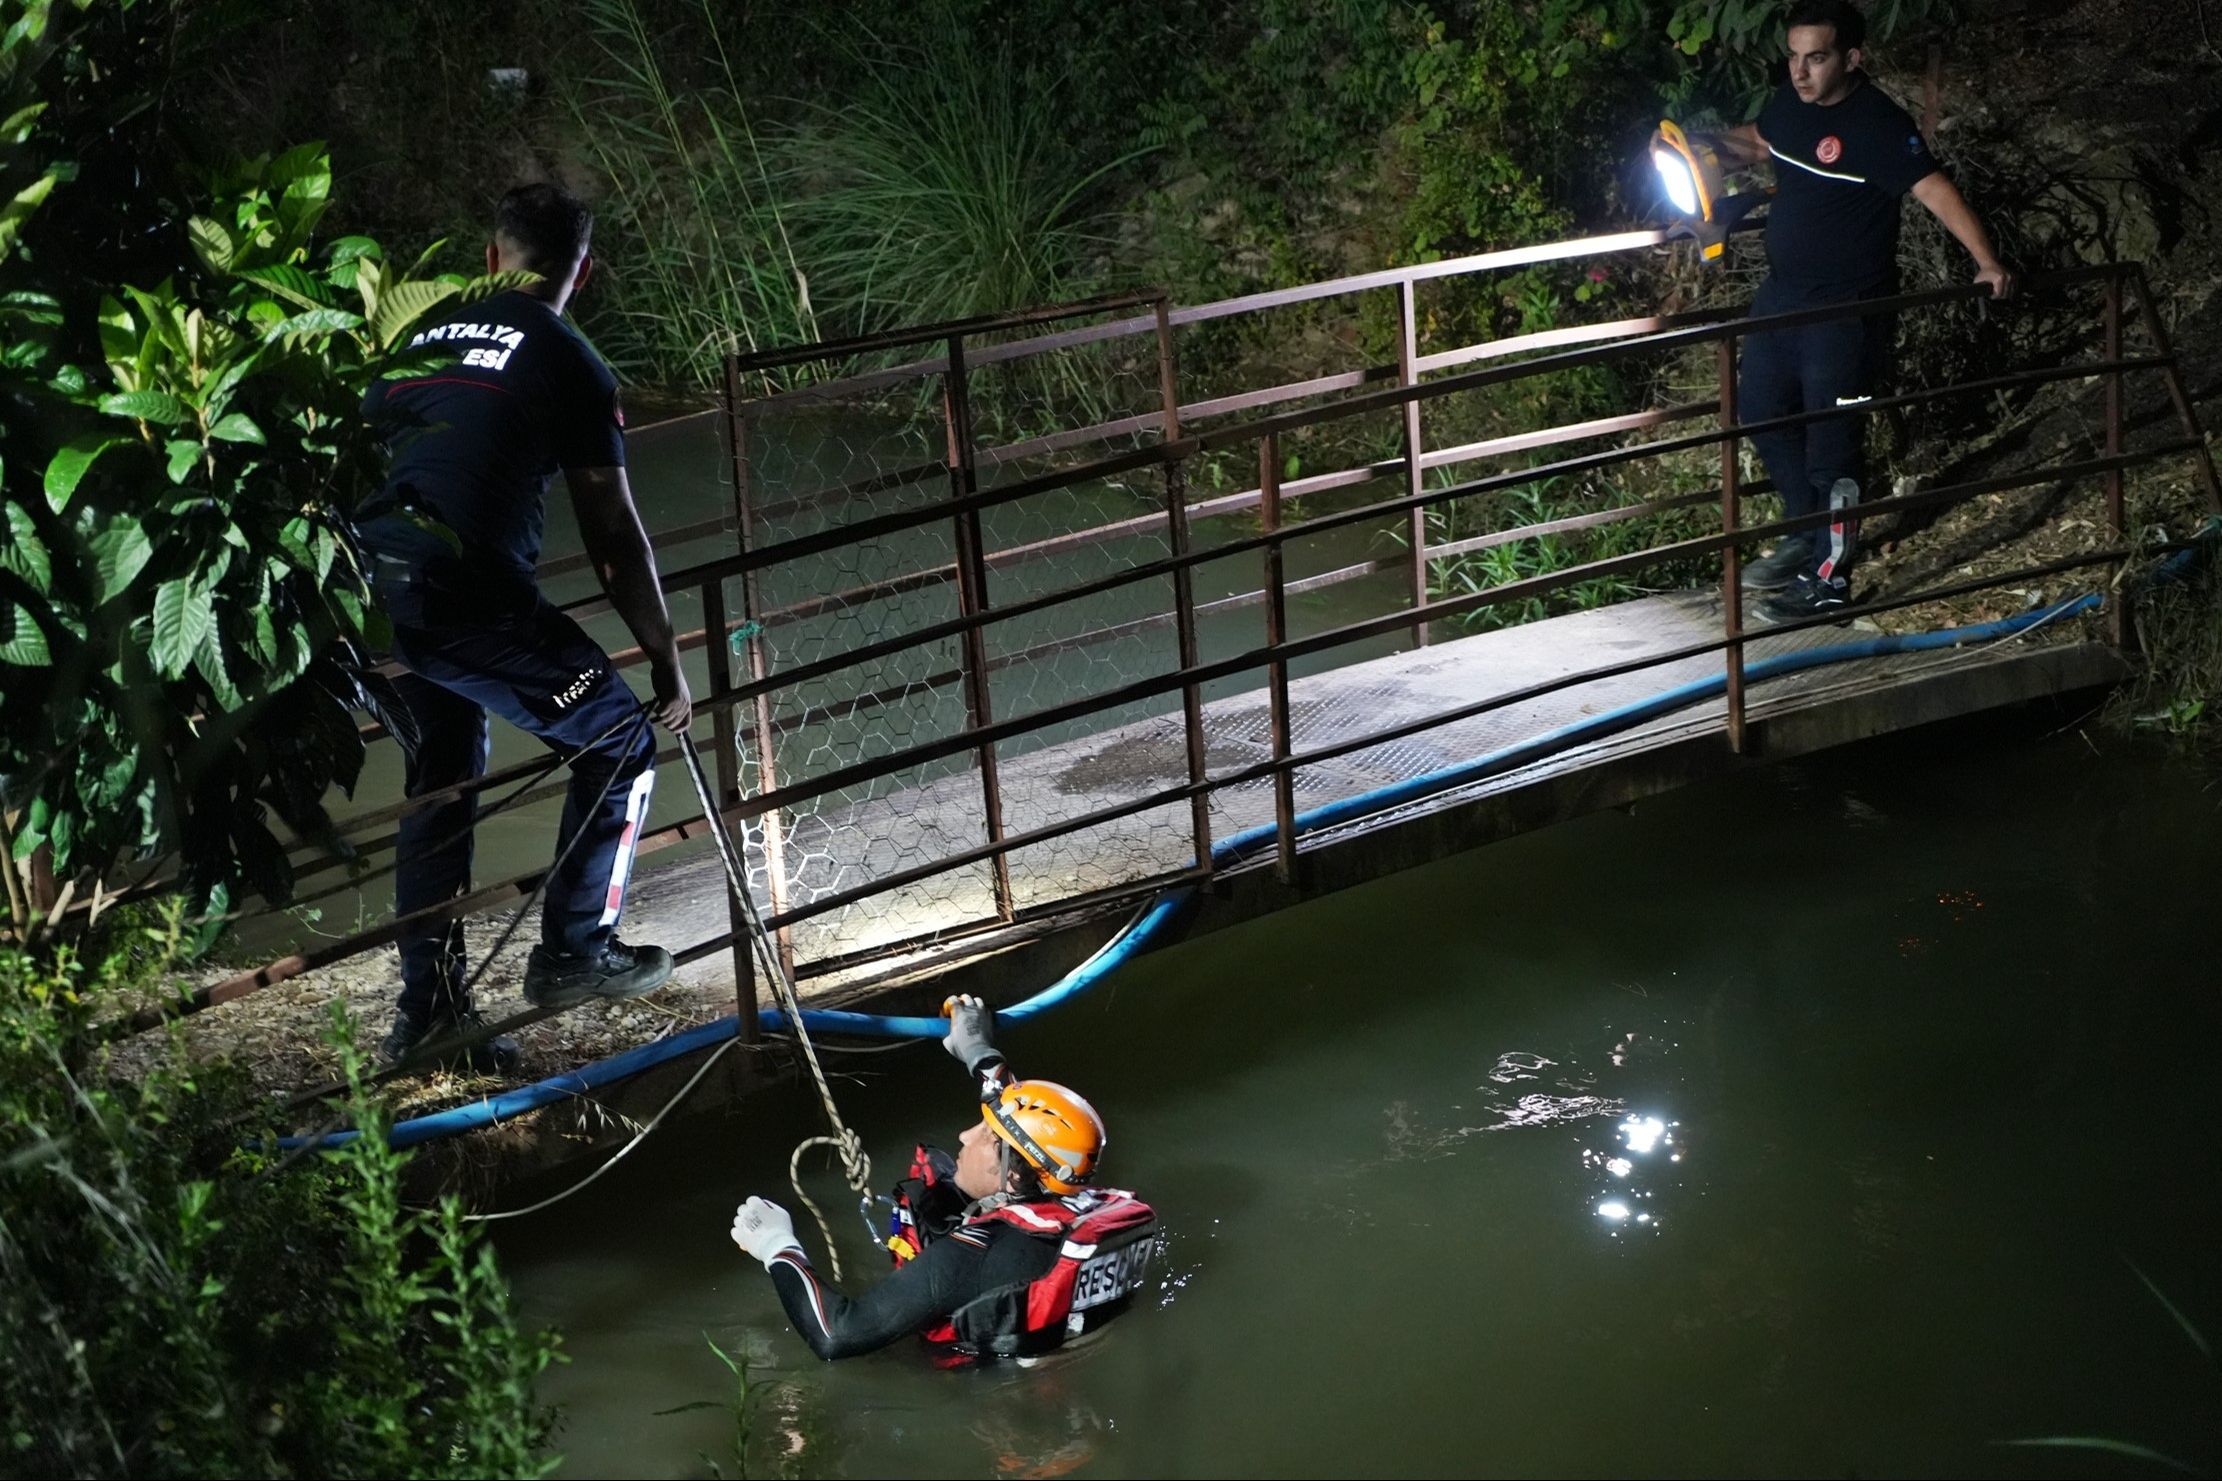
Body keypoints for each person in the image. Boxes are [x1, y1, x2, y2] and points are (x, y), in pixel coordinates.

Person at [358, 183, 693, 1072]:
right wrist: (665, 657)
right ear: (581, 273)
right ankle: (575, 952)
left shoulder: (409, 337)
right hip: (469, 595)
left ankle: (427, 1013)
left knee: (441, 781)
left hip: (373, 594)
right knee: (620, 742)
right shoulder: (566, 356)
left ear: (491, 258)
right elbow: (613, 535)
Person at [1707, 0, 2016, 623]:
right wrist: (1701, 149)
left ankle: (1829, 584)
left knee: (1833, 445)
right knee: (1760, 412)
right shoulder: (1792, 104)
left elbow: (1933, 187)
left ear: (1851, 58)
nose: (1800, 72)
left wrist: (1986, 260)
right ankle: (1803, 533)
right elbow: (1761, 140)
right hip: (1784, 295)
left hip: (1848, 308)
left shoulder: (1876, 122)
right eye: (1793, 57)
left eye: (1815, 58)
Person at [729, 995, 1158, 1363]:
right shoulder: (1072, 1187)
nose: (965, 1135)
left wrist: (776, 1245)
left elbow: (837, 1336)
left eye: (987, 1137)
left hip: (991, 1386)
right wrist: (978, 1049)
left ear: (1011, 1173)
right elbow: (1012, 1110)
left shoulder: (976, 1255)